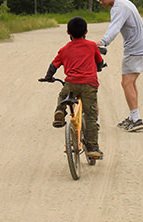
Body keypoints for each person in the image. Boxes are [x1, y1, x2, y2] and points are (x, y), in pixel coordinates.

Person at [42, 16, 105, 159]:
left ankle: (60, 111)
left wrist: (48, 77)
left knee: (62, 96)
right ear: (86, 31)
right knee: (90, 116)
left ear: (67, 32)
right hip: (89, 84)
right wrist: (98, 68)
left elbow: (54, 65)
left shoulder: (64, 49)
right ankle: (92, 147)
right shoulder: (91, 46)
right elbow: (99, 63)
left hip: (71, 84)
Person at [96, 0, 143, 132]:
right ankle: (133, 116)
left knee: (126, 83)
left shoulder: (118, 8)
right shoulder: (123, 2)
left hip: (136, 48)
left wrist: (103, 42)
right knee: (131, 82)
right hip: (141, 46)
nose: (101, 2)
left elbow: (114, 27)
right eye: (99, 0)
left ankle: (136, 118)